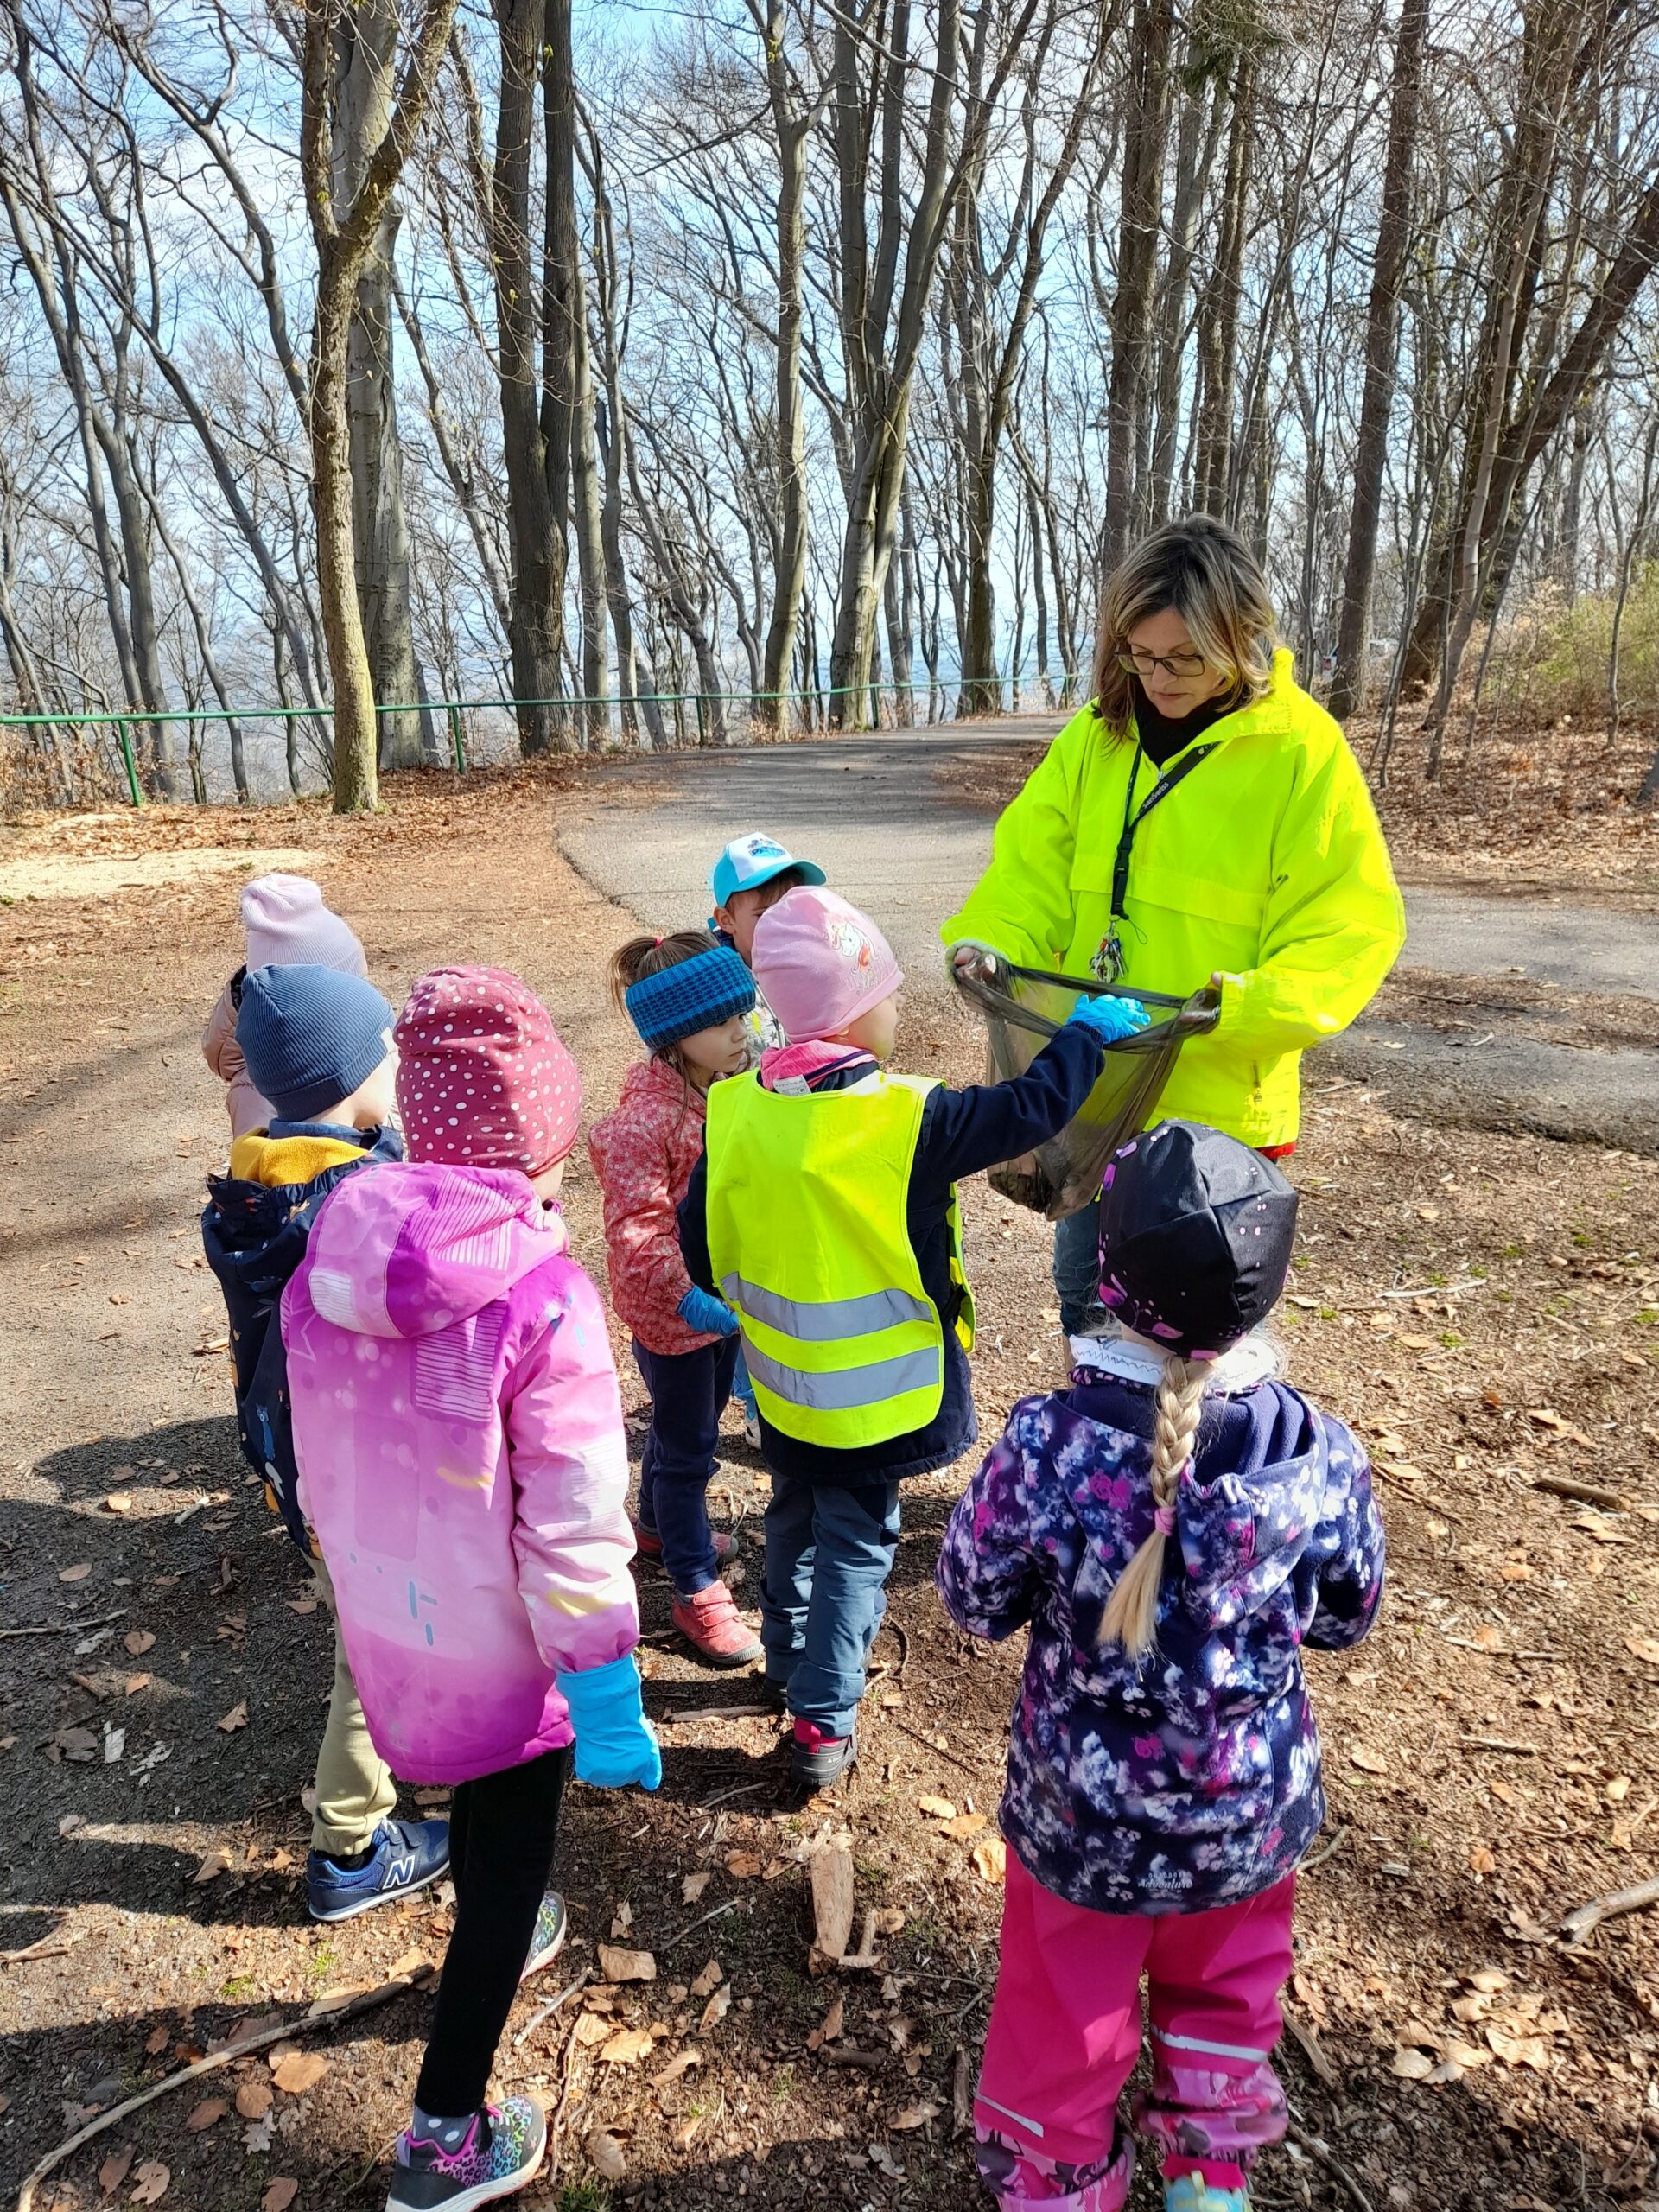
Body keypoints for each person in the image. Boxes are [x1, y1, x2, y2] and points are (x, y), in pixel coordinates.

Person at [937, 1122, 1386, 2212]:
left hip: (1083, 1816)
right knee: (1227, 1987)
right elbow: (1344, 1616)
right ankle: (1209, 2173)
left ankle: (1057, 2180)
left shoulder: (1050, 1444)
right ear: (1266, 1294)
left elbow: (971, 1595)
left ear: (1108, 1272)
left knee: (1066, 2002)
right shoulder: (1320, 1452)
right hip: (1248, 1808)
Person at [283, 965, 658, 2212]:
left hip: (385, 1624)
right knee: (502, 1866)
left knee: (502, 1861)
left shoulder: (323, 1263)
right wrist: (607, 1688)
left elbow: (319, 1452)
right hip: (504, 1658)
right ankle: (444, 2136)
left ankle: (511, 1924)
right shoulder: (544, 1299)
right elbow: (572, 1525)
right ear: (543, 1144)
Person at [679, 887, 1149, 1789]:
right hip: (881, 1400)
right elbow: (1031, 1110)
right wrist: (1087, 1033)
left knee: (793, 1515)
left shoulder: (735, 1108)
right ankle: (821, 1724)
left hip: (782, 1385)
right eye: (889, 996)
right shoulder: (912, 1117)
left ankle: (784, 1657)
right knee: (857, 1541)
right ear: (860, 1011)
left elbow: (701, 1245)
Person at [942, 515, 1405, 1338]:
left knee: (1203, 1342)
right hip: (1099, 1094)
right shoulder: (1097, 738)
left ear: (1242, 637)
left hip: (1217, 1119)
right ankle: (1095, 1467)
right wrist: (993, 945)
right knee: (1086, 1301)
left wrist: (1243, 1006)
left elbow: (1349, 925)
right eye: (1140, 654)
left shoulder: (1301, 752)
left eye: (1183, 657)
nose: (1158, 678)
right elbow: (1030, 867)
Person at [200, 963, 448, 1923]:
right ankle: (349, 1848)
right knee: (367, 1651)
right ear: (350, 1073)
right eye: (386, 1049)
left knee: (367, 1623)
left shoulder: (258, 1177)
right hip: (368, 1476)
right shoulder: (361, 1204)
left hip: (301, 1459)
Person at [588, 931, 765, 1666]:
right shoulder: (645, 1121)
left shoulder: (720, 1088)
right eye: (722, 1023)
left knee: (684, 1418)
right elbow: (637, 1228)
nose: (742, 1033)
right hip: (675, 1310)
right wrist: (687, 1297)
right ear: (671, 1039)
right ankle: (694, 1587)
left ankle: (656, 1527)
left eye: (743, 1015)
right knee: (692, 1446)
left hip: (717, 1298)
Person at [708, 832, 828, 1444]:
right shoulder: (719, 987)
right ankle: (758, 1402)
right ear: (725, 919)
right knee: (753, 1289)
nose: (784, 923)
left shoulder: (802, 964)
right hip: (743, 1156)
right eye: (764, 913)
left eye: (792, 906)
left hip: (793, 1146)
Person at [202, 873, 370, 1140]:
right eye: (351, 996)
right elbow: (274, 1177)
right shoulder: (260, 1093)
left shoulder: (364, 1050)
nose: (362, 1010)